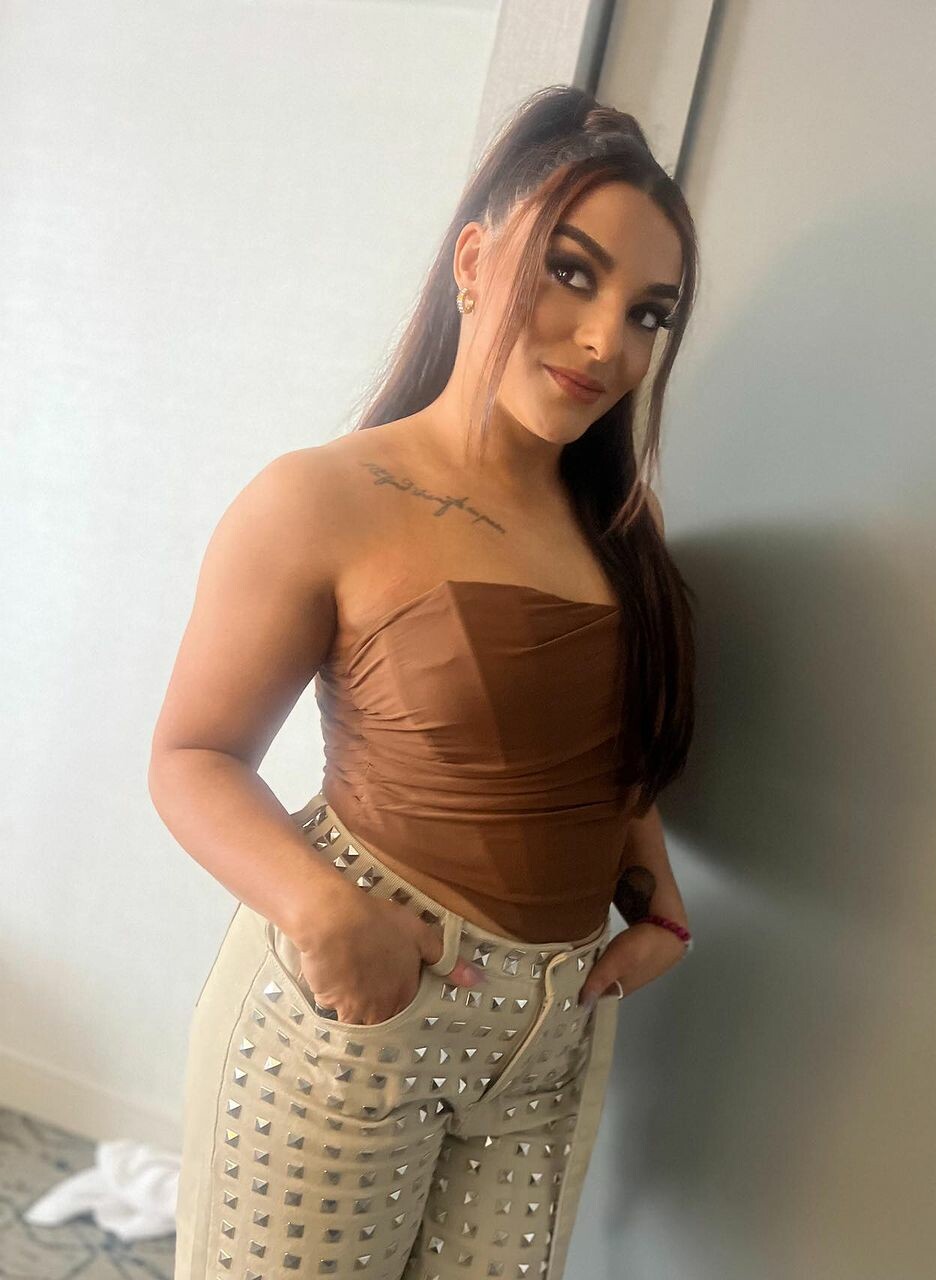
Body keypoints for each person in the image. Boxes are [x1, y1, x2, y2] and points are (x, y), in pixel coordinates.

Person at [150, 83, 698, 1280]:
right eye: (571, 272)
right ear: (475, 260)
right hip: (363, 1007)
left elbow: (601, 754)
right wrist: (323, 913)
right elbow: (191, 757)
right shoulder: (321, 497)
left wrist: (655, 891)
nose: (606, 340)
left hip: (549, 1035)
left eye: (648, 313)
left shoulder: (624, 530)